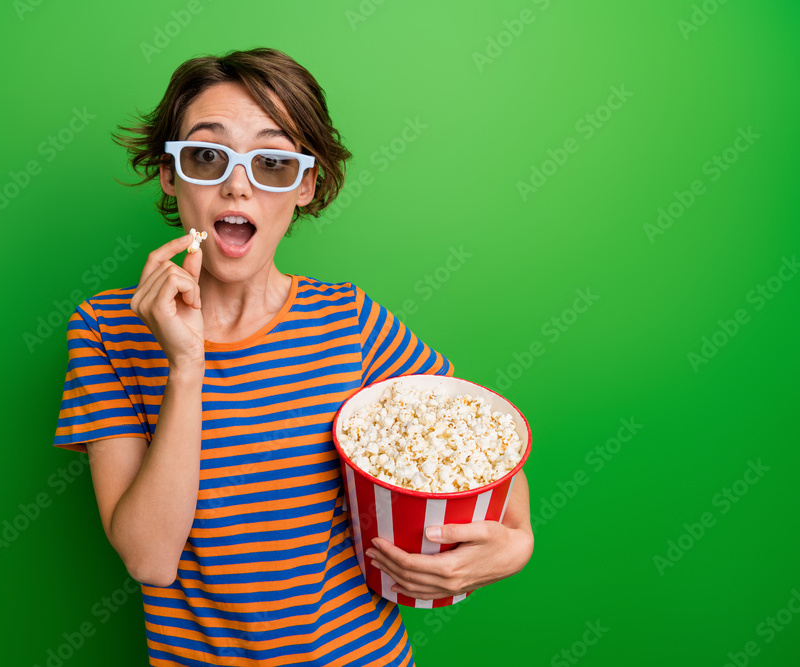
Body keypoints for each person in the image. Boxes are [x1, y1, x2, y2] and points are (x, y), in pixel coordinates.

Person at [53, 47, 533, 666]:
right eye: (207, 156)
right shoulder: (106, 331)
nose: (237, 184)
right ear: (171, 176)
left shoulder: (351, 323)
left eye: (273, 162)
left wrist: (514, 547)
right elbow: (150, 558)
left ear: (306, 185)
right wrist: (186, 367)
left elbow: (483, 450)